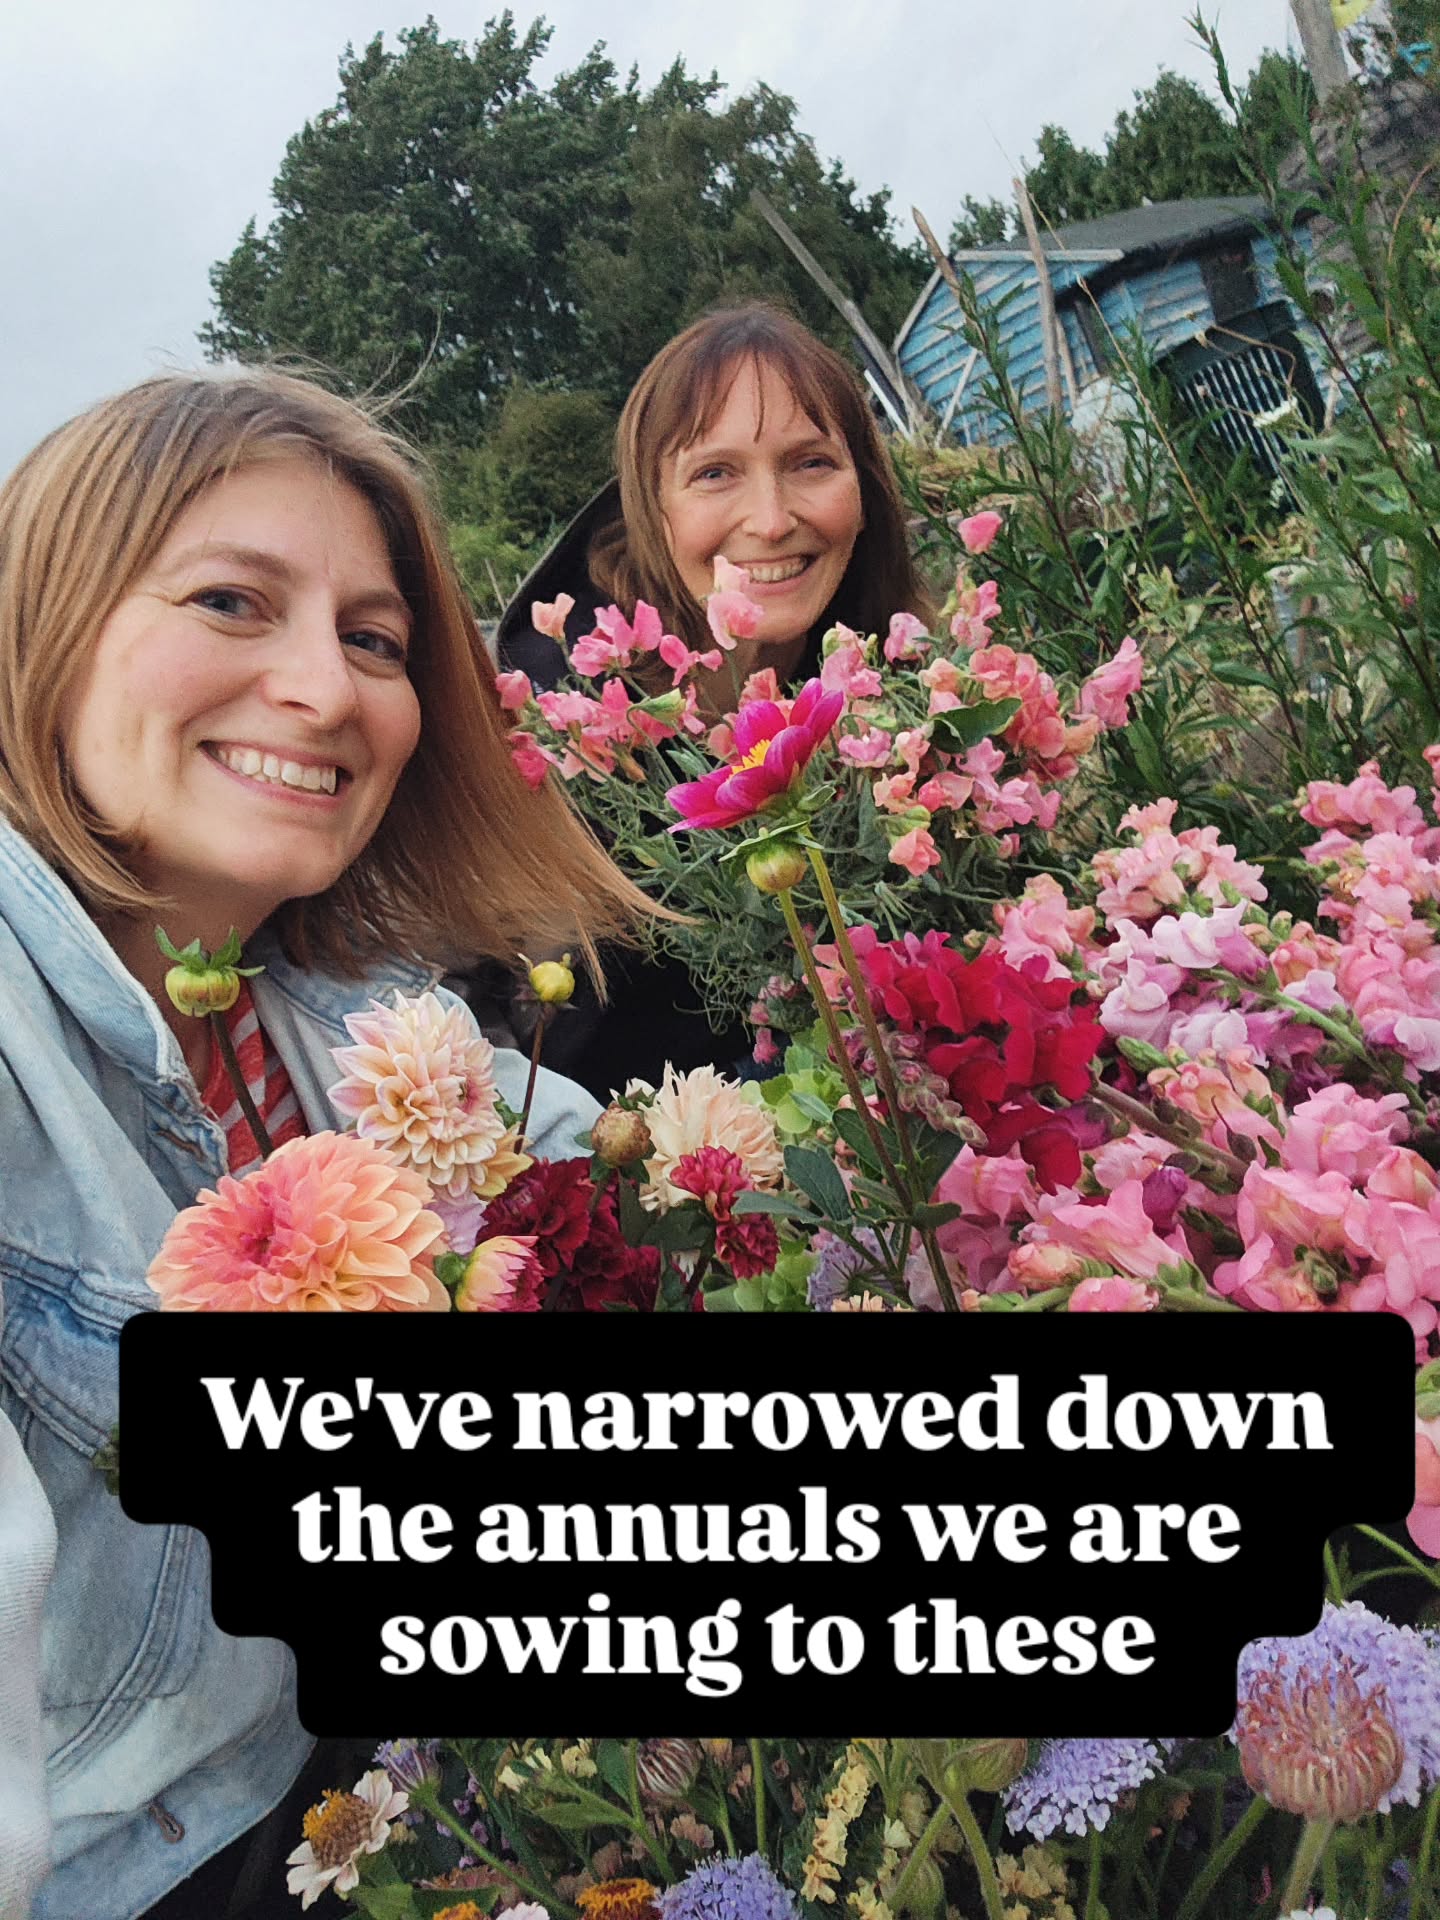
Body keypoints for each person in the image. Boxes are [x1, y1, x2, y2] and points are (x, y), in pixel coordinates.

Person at [0, 369, 651, 1919]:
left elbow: (601, 1162)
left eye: (375, 640)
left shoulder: (330, 997)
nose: (327, 688)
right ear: (43, 626)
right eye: (233, 600)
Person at [495, 301, 932, 1097]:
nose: (771, 521)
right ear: (652, 511)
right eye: (714, 473)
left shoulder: (898, 678)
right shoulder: (566, 717)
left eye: (811, 463)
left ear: (864, 490)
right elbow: (528, 1019)